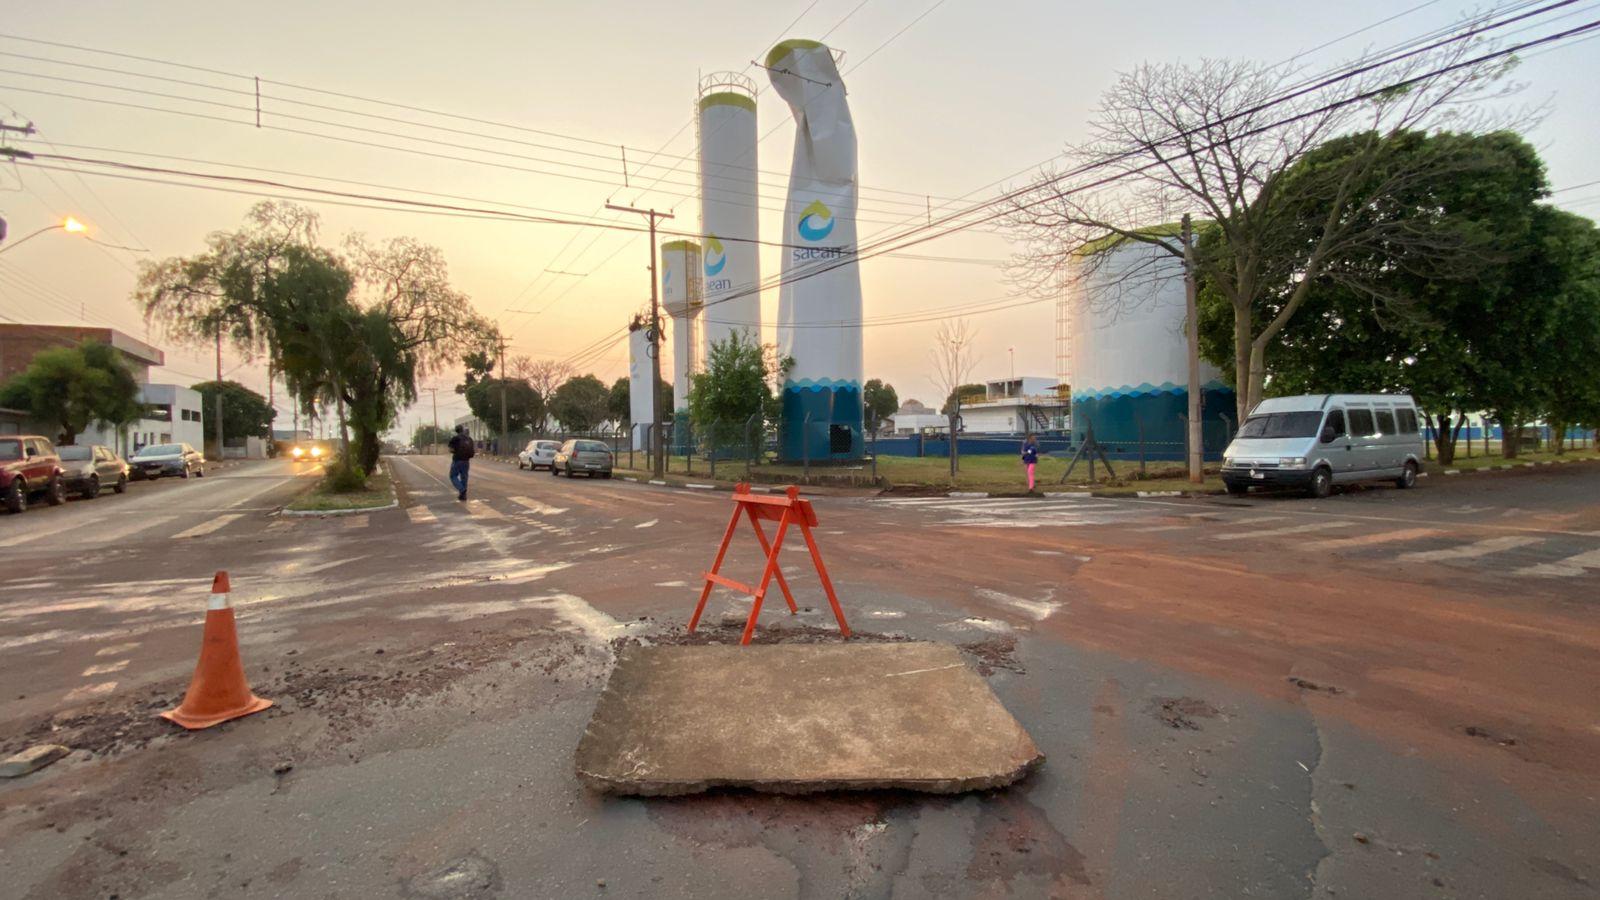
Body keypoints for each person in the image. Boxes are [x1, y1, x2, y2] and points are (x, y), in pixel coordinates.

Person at [447, 424, 475, 501]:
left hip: (457, 460)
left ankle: (462, 489)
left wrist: (455, 451)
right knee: (464, 477)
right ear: (463, 430)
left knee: (453, 476)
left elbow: (451, 449)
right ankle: (463, 496)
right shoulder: (469, 439)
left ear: (456, 430)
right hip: (466, 461)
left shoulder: (455, 438)